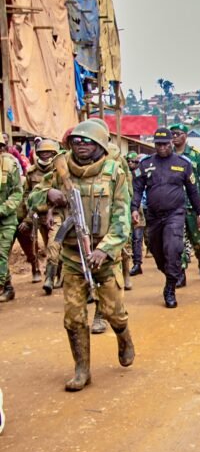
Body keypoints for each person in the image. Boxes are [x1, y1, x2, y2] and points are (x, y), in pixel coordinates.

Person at [28, 120, 135, 390]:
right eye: (76, 141)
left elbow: (122, 220)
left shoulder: (114, 172)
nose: (80, 145)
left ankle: (123, 337)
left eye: (87, 141)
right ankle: (82, 369)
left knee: (114, 312)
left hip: (104, 255)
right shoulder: (60, 168)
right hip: (72, 254)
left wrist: (105, 249)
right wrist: (48, 195)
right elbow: (33, 198)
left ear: (100, 145)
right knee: (74, 317)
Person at [132, 128, 200, 308]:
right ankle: (170, 273)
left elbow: (192, 191)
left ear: (171, 143)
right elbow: (138, 188)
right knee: (157, 251)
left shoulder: (183, 163)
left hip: (175, 214)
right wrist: (134, 208)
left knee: (173, 248)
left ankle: (170, 286)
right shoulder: (146, 164)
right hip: (154, 216)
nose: (162, 147)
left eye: (165, 144)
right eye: (158, 144)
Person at [16, 139, 63, 294]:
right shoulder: (31, 172)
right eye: (42, 152)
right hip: (38, 215)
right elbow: (27, 195)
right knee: (44, 244)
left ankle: (49, 278)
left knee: (53, 246)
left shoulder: (61, 171)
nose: (45, 155)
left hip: (57, 215)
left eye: (48, 152)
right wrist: (28, 217)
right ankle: (56, 273)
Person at [169, 123, 200, 284]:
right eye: (172, 133)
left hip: (193, 204)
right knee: (177, 241)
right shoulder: (168, 155)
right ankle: (181, 274)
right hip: (175, 205)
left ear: (185, 136)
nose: (174, 137)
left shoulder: (195, 154)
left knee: (197, 241)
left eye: (178, 133)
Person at [0, 139, 22, 302]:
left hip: (6, 220)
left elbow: (17, 193)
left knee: (1, 253)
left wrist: (2, 209)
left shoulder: (9, 165)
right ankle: (8, 287)